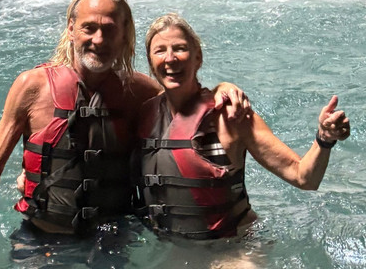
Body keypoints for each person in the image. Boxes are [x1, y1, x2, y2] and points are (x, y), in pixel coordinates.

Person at [0, 0, 250, 268]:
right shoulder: (32, 87)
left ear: (124, 35)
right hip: (42, 241)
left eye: (109, 30)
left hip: (113, 240)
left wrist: (223, 87)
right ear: (71, 29)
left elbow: (189, 99)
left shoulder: (141, 93)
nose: (99, 40)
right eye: (89, 28)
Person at [138, 13, 351, 240]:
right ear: (151, 64)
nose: (170, 59)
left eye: (180, 48)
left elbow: (304, 178)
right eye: (160, 51)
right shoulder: (144, 115)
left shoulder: (231, 115)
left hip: (234, 247)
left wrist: (324, 138)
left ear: (198, 58)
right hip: (174, 248)